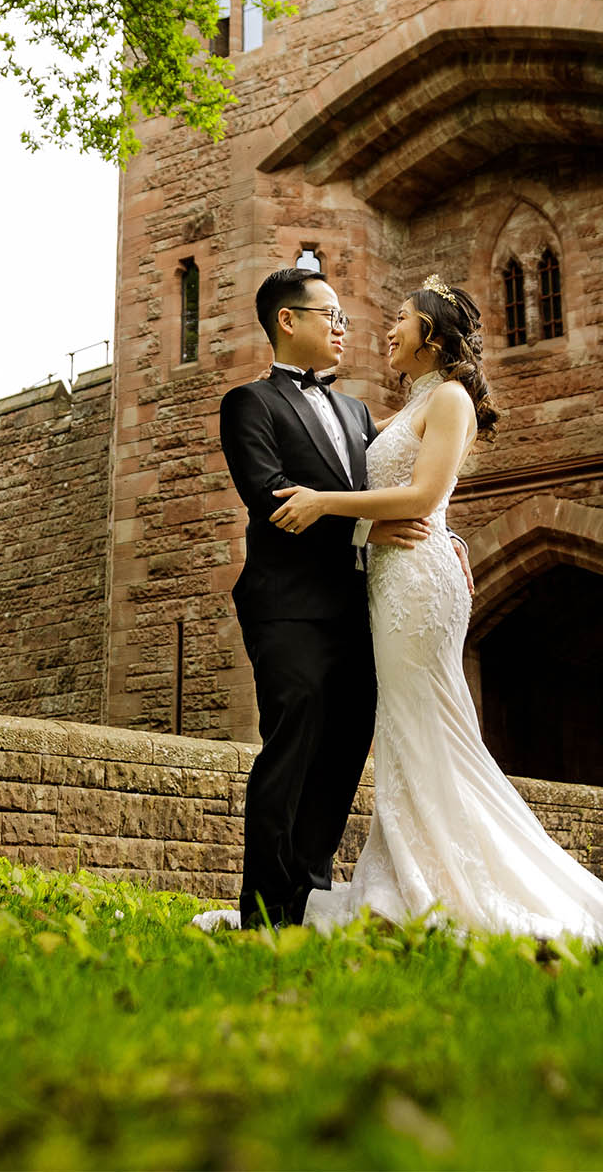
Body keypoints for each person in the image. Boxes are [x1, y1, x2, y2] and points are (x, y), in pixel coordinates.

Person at [246, 275, 603, 952]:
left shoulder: (450, 399)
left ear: (433, 337)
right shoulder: (406, 405)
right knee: (413, 728)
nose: (386, 329)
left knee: (425, 723)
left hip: (416, 588)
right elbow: (380, 478)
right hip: (394, 579)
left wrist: (330, 506)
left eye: (401, 319)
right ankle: (414, 873)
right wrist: (402, 526)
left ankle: (452, 883)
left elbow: (422, 493)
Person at [215, 266, 438, 928]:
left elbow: (383, 489)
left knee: (345, 745)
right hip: (286, 605)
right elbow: (274, 497)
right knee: (295, 731)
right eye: (330, 315)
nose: (343, 328)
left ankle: (307, 896)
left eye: (343, 318)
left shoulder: (356, 411)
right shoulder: (248, 404)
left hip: (360, 607)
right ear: (289, 319)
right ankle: (263, 907)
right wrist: (369, 521)